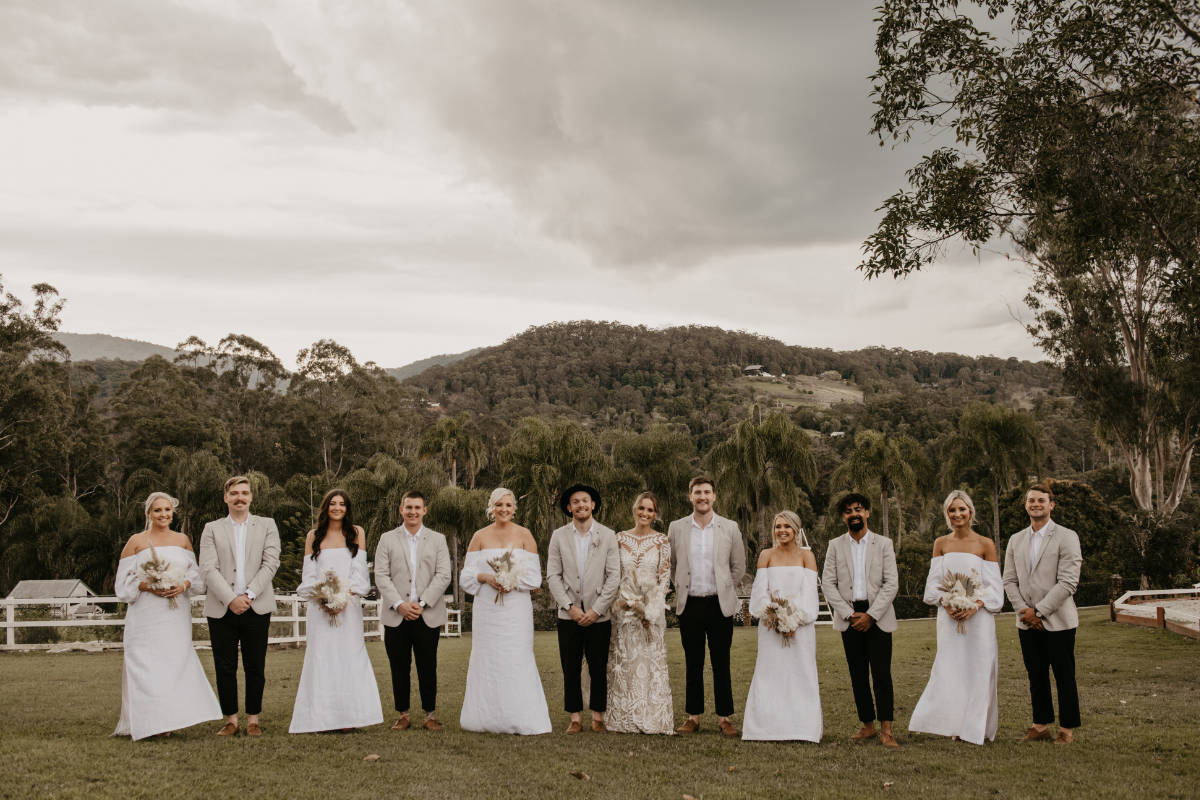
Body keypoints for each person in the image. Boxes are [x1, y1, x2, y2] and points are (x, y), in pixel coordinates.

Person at [114, 492, 221, 740]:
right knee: (146, 665)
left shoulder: (183, 540)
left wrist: (182, 585)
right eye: (157, 510)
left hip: (174, 614)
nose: (163, 514)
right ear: (149, 514)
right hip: (145, 614)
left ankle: (169, 719)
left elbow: (195, 576)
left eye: (167, 510)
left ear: (173, 512)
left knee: (173, 663)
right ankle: (149, 721)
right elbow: (122, 583)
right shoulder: (136, 542)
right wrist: (147, 585)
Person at [908, 490, 1003, 745]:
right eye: (952, 510)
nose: (957, 514)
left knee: (979, 668)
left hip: (979, 619)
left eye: (962, 509)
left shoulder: (985, 544)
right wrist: (947, 603)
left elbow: (996, 588)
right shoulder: (941, 543)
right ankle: (953, 724)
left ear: (970, 512)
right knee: (952, 670)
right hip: (949, 619)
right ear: (947, 514)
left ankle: (975, 728)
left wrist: (976, 605)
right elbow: (932, 587)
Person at [459, 488, 552, 735]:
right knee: (488, 657)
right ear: (491, 507)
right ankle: (485, 717)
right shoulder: (479, 536)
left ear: (514, 508)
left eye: (508, 505)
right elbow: (466, 576)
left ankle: (521, 716)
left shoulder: (525, 535)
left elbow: (534, 578)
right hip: (487, 610)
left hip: (516, 610)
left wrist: (510, 581)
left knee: (516, 657)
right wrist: (487, 577)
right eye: (499, 504)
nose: (504, 509)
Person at [289, 489, 383, 733]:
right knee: (321, 658)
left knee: (349, 657)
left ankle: (348, 718)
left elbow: (359, 574)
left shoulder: (357, 533)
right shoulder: (314, 536)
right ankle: (320, 719)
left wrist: (343, 598)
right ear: (326, 507)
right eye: (333, 503)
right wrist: (323, 598)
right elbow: (308, 576)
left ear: (347, 508)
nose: (337, 508)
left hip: (348, 608)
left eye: (342, 504)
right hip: (319, 611)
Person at [199, 475, 280, 737]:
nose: (239, 497)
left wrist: (249, 594)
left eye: (244, 493)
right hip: (222, 608)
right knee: (225, 666)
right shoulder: (212, 528)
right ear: (226, 497)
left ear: (251, 497)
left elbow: (271, 563)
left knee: (255, 665)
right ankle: (231, 720)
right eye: (234, 493)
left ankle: (253, 719)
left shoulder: (267, 525)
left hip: (256, 607)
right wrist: (230, 598)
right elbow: (207, 568)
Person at [667, 476, 747, 737]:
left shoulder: (730, 527)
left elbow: (738, 567)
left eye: (707, 492)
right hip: (689, 604)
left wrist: (724, 586)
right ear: (690, 496)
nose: (702, 497)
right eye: (697, 492)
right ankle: (693, 717)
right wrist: (682, 587)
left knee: (721, 662)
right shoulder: (676, 528)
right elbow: (672, 566)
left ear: (714, 496)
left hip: (719, 604)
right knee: (693, 662)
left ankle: (725, 717)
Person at [1003, 483, 1082, 744]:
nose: (1035, 504)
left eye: (1040, 500)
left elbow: (1068, 582)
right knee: (1036, 675)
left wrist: (1040, 612)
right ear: (1026, 505)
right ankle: (1040, 725)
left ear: (1051, 505)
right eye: (1031, 500)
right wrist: (1024, 612)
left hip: (1058, 621)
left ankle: (1067, 729)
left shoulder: (1066, 536)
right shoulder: (1016, 539)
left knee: (1064, 675)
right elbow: (1009, 580)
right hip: (1026, 622)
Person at [822, 492, 900, 749]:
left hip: (878, 615)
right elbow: (828, 584)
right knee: (857, 674)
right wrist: (848, 613)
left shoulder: (884, 543)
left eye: (858, 509)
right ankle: (867, 725)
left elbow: (891, 584)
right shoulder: (835, 545)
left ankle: (886, 729)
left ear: (867, 512)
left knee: (881, 674)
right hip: (849, 616)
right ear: (843, 517)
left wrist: (871, 615)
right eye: (848, 511)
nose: (853, 514)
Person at [546, 483, 621, 734]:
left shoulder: (608, 535)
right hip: (568, 615)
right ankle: (575, 717)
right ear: (569, 507)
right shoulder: (559, 536)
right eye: (575, 502)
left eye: (585, 500)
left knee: (599, 667)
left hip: (598, 615)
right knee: (570, 667)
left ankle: (597, 716)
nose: (581, 505)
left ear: (593, 505)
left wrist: (597, 609)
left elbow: (613, 576)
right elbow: (553, 576)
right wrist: (569, 607)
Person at [375, 490, 452, 732]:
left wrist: (423, 602)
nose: (413, 512)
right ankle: (403, 714)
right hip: (396, 614)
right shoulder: (387, 539)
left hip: (426, 614)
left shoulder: (438, 539)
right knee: (399, 666)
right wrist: (399, 604)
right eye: (408, 507)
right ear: (401, 510)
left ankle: (430, 714)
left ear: (424, 510)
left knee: (427, 666)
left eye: (417, 508)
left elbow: (444, 574)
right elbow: (381, 575)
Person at [742, 511, 822, 742]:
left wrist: (795, 619)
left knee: (800, 674)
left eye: (787, 526)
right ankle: (765, 729)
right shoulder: (766, 555)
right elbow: (759, 593)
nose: (782, 530)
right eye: (778, 526)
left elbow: (809, 595)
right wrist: (775, 617)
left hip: (801, 628)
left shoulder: (807, 556)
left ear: (796, 529)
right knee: (770, 674)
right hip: (770, 627)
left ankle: (803, 728)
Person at [606, 492, 674, 734]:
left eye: (650, 510)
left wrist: (651, 610)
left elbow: (664, 578)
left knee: (648, 661)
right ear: (634, 509)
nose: (645, 513)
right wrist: (622, 602)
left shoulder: (662, 541)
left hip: (650, 613)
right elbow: (613, 575)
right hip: (623, 612)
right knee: (624, 662)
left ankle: (652, 717)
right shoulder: (620, 539)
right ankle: (622, 718)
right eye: (641, 508)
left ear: (655, 515)